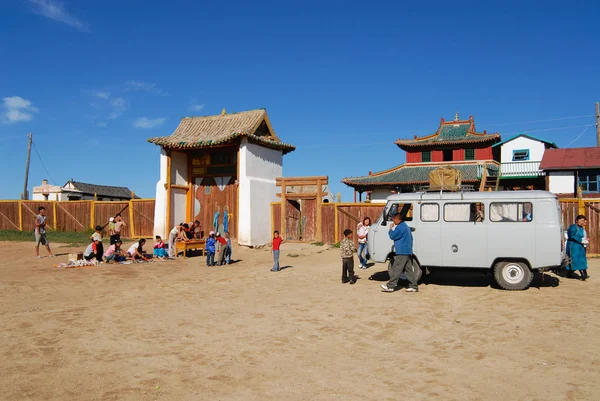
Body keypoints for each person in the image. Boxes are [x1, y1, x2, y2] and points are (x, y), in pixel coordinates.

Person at [381, 213, 419, 293]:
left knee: (396, 269)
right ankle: (414, 286)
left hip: (401, 252)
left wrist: (391, 229)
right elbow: (411, 239)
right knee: (408, 270)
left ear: (396, 219)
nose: (393, 222)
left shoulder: (400, 227)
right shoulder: (406, 226)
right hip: (407, 251)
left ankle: (390, 286)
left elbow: (393, 236)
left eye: (393, 220)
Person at [566, 215, 589, 280]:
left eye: (583, 221)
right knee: (575, 259)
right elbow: (571, 235)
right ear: (576, 220)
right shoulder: (573, 227)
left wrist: (585, 239)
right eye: (581, 220)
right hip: (573, 246)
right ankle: (583, 274)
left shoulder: (581, 228)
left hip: (580, 246)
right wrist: (581, 240)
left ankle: (570, 273)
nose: (582, 222)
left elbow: (582, 236)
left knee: (581, 259)